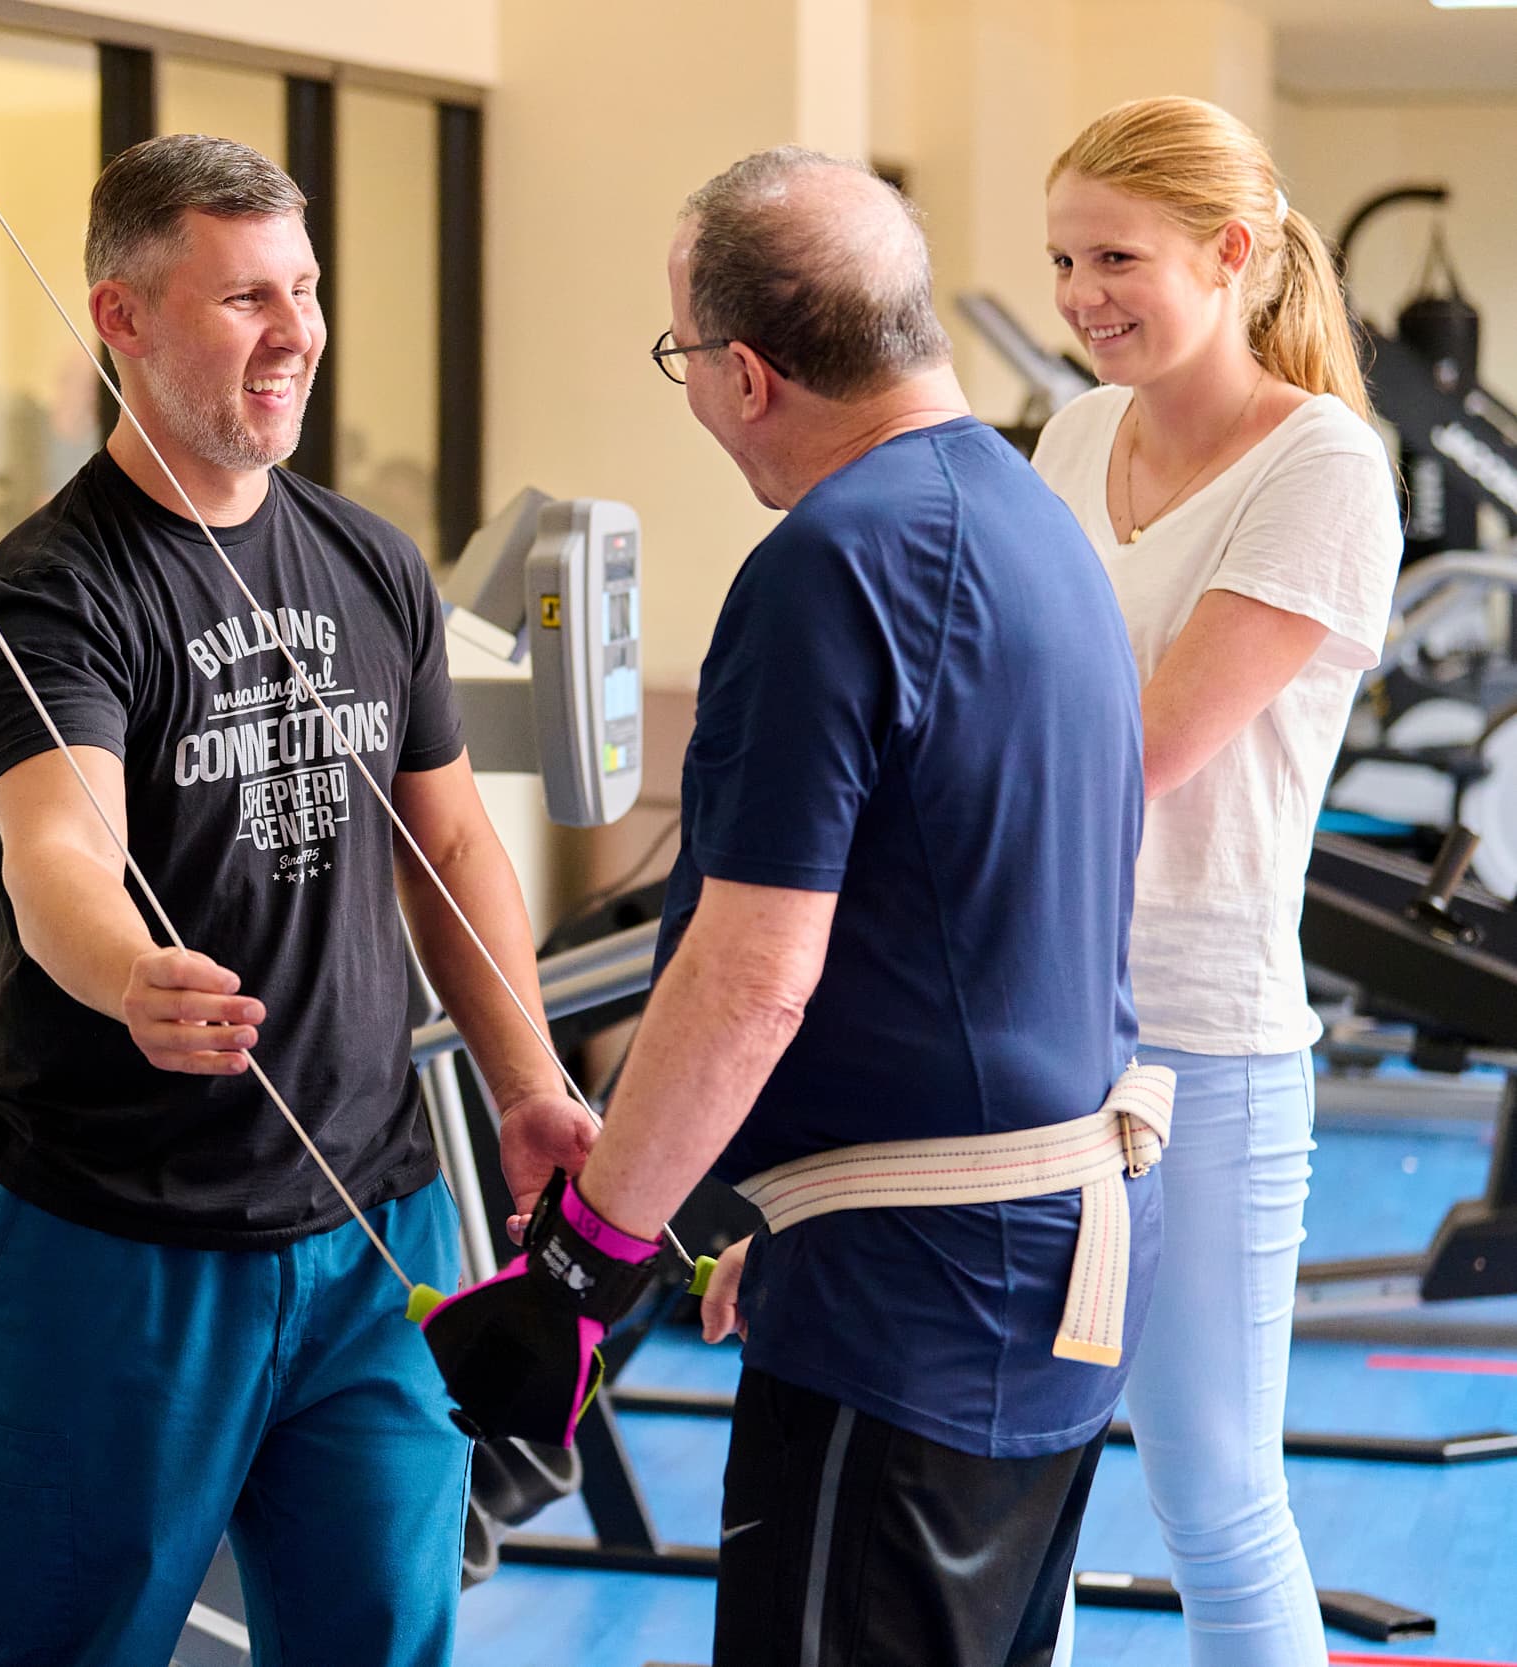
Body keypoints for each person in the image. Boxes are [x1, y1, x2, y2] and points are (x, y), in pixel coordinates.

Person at [418, 147, 1161, 1667]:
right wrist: (808, 1205)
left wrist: (584, 1273)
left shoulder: (832, 565)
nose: (692, 393)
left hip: (920, 1321)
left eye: (684, 357)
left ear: (748, 374)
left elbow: (754, 975)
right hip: (1034, 1270)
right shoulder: (1030, 521)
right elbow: (987, 922)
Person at [0, 133, 594, 1667]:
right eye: (244, 297)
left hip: (371, 1231)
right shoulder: (58, 585)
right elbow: (58, 853)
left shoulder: (369, 562)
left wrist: (528, 1082)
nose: (294, 331)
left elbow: (449, 850)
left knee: (387, 1632)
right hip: (122, 1248)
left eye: (303, 290)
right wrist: (125, 974)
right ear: (122, 319)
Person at [1035, 96, 1402, 1666]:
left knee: (1214, 1496)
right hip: (1030, 1022)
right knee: (1009, 1486)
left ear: (1234, 254)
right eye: (1062, 260)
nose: (1080, 296)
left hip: (1203, 1035)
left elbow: (1136, 751)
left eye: (1115, 257)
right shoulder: (1067, 434)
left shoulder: (1325, 465)